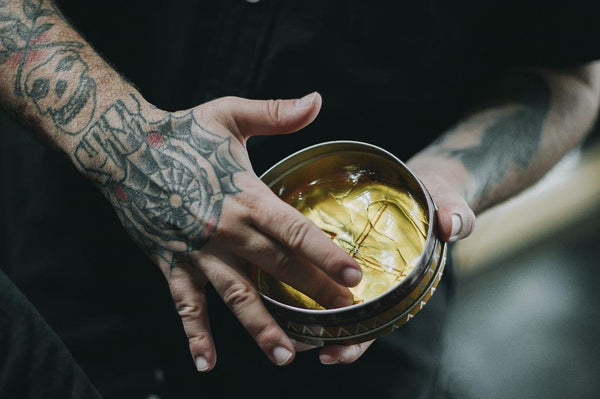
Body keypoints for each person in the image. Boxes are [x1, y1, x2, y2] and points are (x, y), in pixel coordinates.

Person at [1, 1, 599, 398]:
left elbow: (570, 78)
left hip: (351, 330)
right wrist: (126, 144)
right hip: (54, 265)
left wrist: (447, 178)